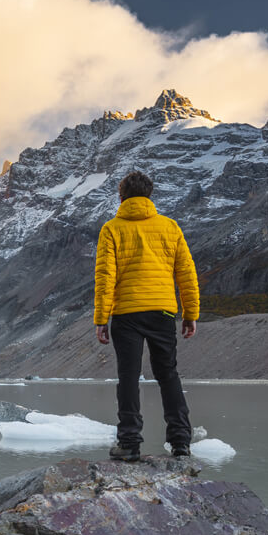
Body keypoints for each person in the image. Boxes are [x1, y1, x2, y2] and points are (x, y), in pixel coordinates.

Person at [93, 171, 199, 462]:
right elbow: (186, 273)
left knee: (128, 376)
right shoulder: (169, 226)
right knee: (168, 374)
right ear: (150, 195)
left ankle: (129, 443)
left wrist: (101, 319)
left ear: (121, 197)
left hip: (126, 314)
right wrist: (190, 313)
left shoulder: (111, 229)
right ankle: (180, 442)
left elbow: (105, 278)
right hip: (162, 312)